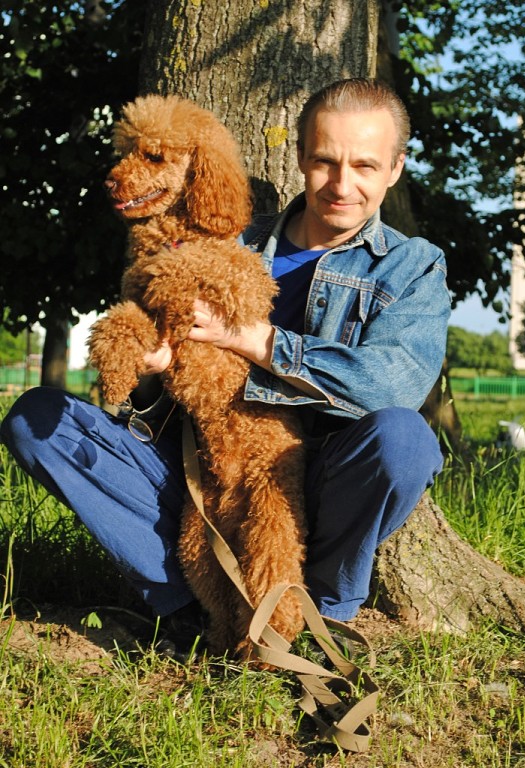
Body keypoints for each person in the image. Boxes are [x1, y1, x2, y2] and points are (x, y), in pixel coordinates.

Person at [0, 78, 450, 652]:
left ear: (395, 168)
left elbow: (392, 386)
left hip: (318, 476)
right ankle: (190, 606)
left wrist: (259, 341)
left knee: (404, 440)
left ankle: (319, 611)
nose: (342, 184)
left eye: (364, 165)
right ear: (300, 157)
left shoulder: (412, 266)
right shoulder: (219, 237)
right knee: (37, 420)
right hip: (194, 468)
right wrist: (152, 368)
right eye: (324, 161)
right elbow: (156, 389)